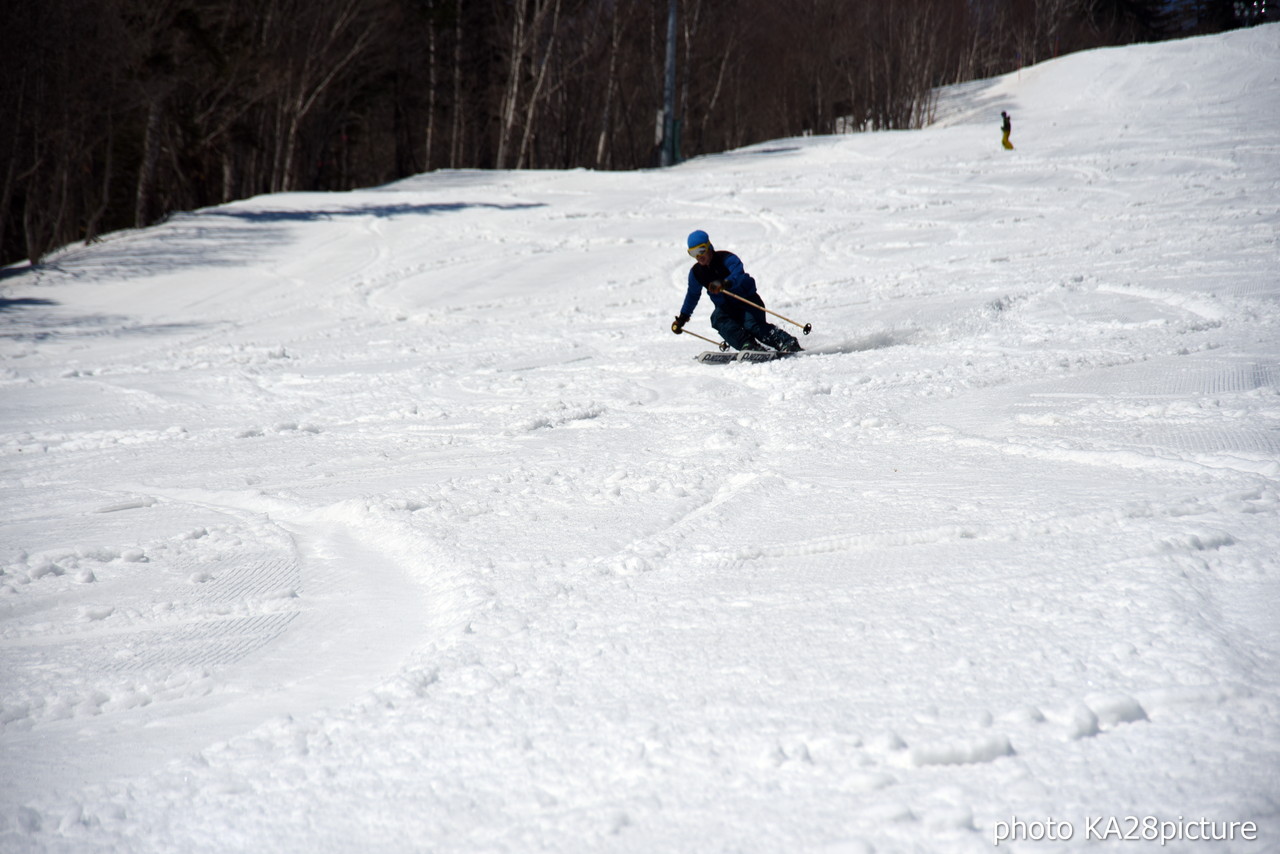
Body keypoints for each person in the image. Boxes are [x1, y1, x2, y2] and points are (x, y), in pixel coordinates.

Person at [671, 230, 801, 353]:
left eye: (701, 250)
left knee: (752, 325)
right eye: (693, 253)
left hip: (747, 301)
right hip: (726, 307)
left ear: (709, 246)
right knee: (717, 319)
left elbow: (738, 275)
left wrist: (724, 283)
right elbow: (692, 296)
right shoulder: (696, 273)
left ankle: (787, 342)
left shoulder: (727, 259)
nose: (698, 256)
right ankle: (748, 345)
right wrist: (683, 318)